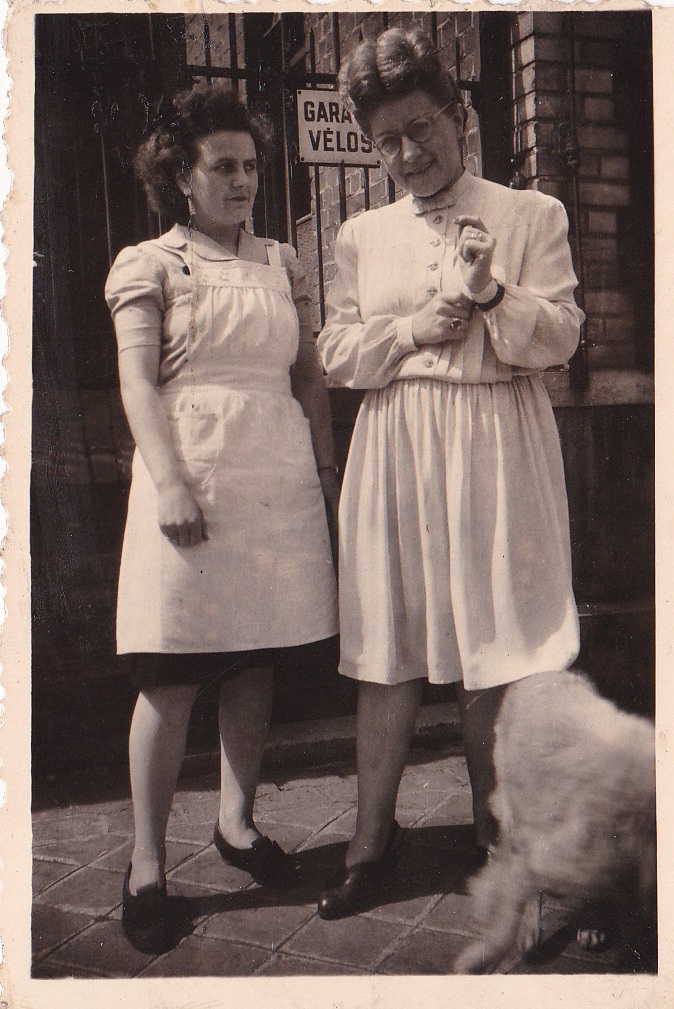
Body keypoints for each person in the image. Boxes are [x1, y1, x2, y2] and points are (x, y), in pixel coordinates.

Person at [316, 27, 584, 920]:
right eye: (386, 140)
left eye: (422, 128)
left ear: (460, 116)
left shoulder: (529, 214)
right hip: (397, 445)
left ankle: (495, 833)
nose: (407, 153)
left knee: (495, 652)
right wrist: (413, 330)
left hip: (496, 441)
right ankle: (369, 837)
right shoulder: (361, 232)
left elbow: (563, 339)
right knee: (387, 648)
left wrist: (492, 296)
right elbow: (338, 352)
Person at [105, 81, 339, 952]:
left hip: (274, 479)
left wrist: (323, 466)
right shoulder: (150, 263)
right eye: (224, 165)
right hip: (191, 478)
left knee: (255, 659)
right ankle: (144, 863)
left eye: (251, 164)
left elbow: (308, 372)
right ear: (182, 174)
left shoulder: (280, 260)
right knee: (170, 676)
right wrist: (169, 481)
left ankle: (236, 825)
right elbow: (137, 382)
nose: (242, 179)